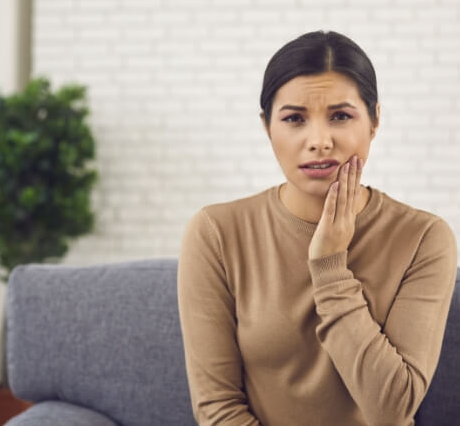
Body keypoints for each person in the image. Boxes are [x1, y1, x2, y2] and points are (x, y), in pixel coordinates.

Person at [177, 30, 458, 426]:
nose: (319, 141)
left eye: (341, 116)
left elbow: (392, 409)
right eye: (294, 119)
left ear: (375, 121)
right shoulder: (216, 233)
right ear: (267, 127)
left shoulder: (424, 238)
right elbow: (217, 409)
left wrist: (330, 267)